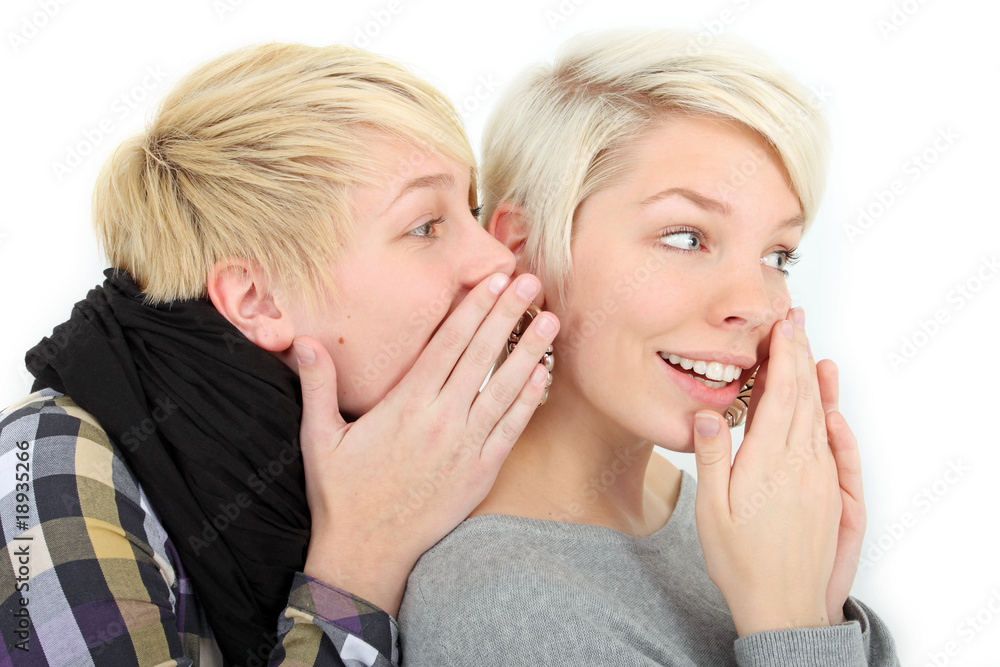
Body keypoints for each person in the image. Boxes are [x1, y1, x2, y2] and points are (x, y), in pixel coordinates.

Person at [0, 43, 559, 666]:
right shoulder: (44, 461)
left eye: (471, 210)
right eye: (425, 226)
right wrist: (362, 558)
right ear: (258, 301)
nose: (494, 259)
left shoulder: (427, 454)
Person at [398, 30, 899, 665]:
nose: (754, 303)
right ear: (528, 249)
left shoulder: (734, 521)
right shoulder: (505, 607)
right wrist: (791, 623)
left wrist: (817, 609)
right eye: (686, 238)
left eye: (778, 255)